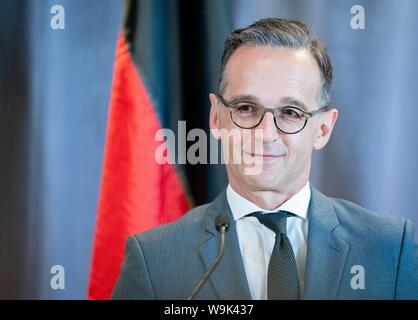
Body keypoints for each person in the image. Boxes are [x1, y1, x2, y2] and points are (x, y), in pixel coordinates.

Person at [111, 18, 418, 300]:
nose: (265, 133)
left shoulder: (390, 249)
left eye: (291, 113)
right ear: (216, 118)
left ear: (323, 128)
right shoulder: (153, 260)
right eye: (246, 108)